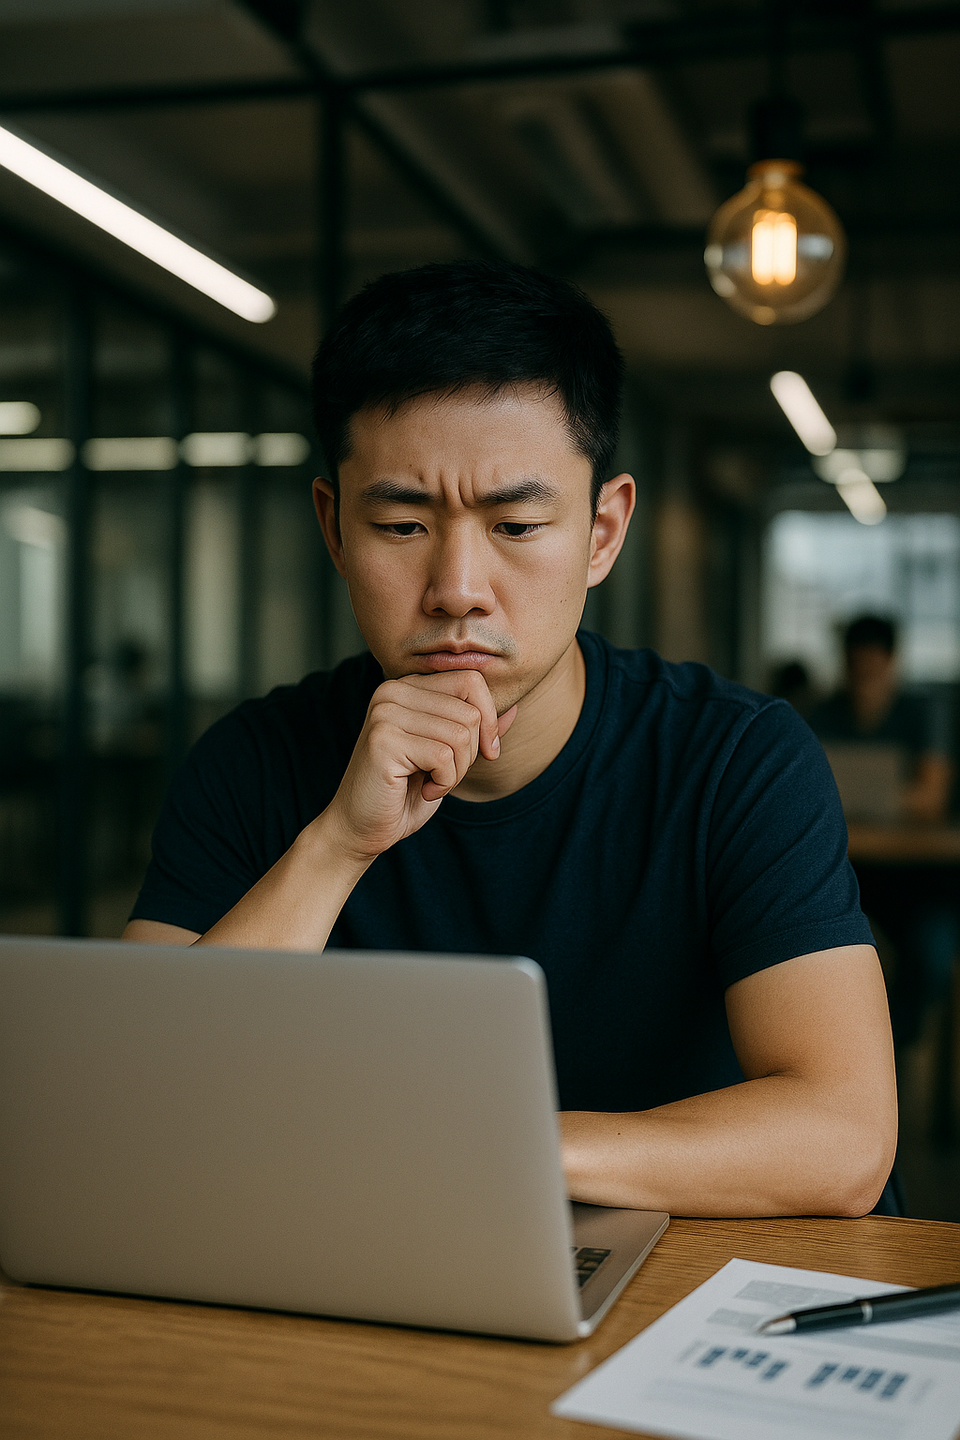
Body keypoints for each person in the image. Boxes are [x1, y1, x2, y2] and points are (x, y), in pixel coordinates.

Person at [125, 260, 897, 1218]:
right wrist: (338, 845)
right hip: (381, 1274)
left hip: (680, 1291)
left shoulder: (737, 760)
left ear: (603, 532)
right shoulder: (252, 762)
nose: (458, 586)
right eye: (403, 524)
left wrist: (485, 1147)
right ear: (334, 528)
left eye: (518, 522)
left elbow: (844, 1139)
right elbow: (135, 1112)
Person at [809, 615, 957, 1047]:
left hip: (918, 878)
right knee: (825, 957)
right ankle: (842, 1049)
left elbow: (931, 796)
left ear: (892, 662)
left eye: (873, 670)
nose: (864, 681)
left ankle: (898, 1052)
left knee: (929, 951)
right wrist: (892, 797)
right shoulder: (822, 713)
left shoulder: (923, 712)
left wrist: (861, 798)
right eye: (857, 669)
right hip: (849, 872)